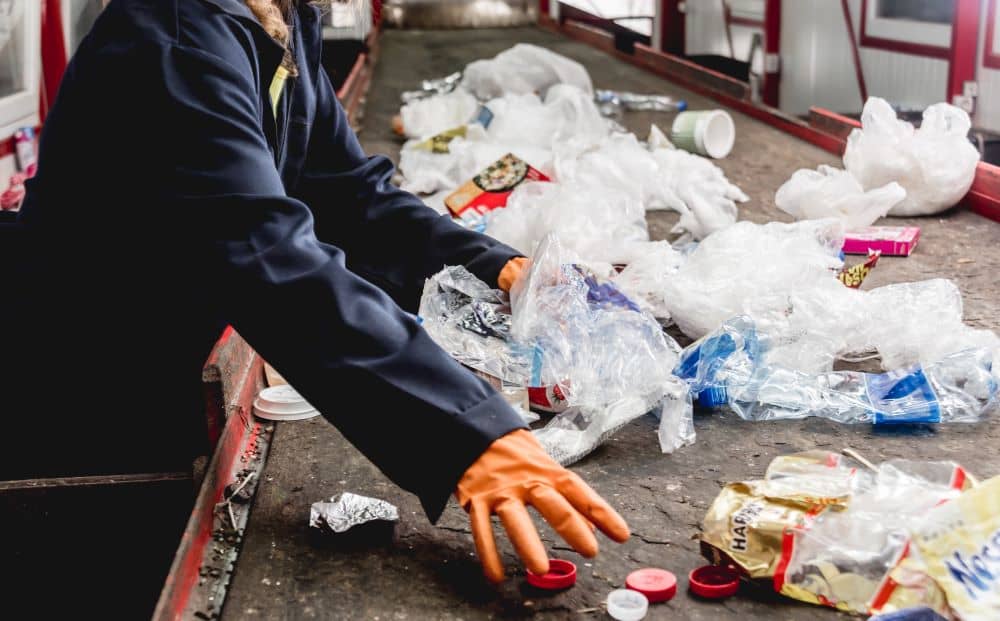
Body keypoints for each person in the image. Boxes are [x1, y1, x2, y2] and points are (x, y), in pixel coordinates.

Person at [4, 0, 629, 583]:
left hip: (167, 351)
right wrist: (466, 430)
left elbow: (348, 194)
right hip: (86, 391)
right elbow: (268, 256)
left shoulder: (281, 17)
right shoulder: (176, 41)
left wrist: (497, 265)